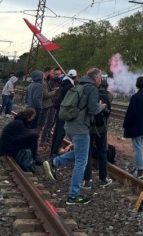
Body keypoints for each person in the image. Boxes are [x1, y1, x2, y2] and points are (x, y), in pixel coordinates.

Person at [43, 68, 106, 205]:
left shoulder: (79, 85)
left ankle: (54, 163)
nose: (101, 80)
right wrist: (101, 107)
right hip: (80, 128)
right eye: (100, 77)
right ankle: (74, 195)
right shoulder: (92, 89)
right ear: (95, 78)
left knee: (79, 154)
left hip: (69, 126)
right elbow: (92, 109)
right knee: (81, 162)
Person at [81, 72, 113, 189]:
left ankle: (87, 181)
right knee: (102, 153)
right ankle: (103, 179)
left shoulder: (89, 92)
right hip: (102, 129)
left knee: (87, 154)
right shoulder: (109, 95)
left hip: (88, 127)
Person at [123, 76, 143, 177]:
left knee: (137, 148)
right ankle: (136, 166)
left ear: (137, 84)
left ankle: (140, 168)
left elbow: (130, 113)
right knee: (138, 146)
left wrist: (126, 125)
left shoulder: (135, 97)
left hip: (136, 127)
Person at [50, 70, 78, 158]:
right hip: (64, 110)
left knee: (57, 130)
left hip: (59, 109)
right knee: (61, 132)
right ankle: (54, 152)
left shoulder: (62, 84)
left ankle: (53, 150)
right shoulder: (70, 86)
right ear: (75, 77)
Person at [39, 66, 58, 145]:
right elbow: (46, 95)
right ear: (48, 71)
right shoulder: (44, 81)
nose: (53, 74)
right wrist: (56, 91)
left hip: (46, 105)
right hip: (45, 105)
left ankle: (44, 139)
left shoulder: (45, 80)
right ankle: (42, 140)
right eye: (52, 72)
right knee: (42, 123)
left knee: (45, 122)